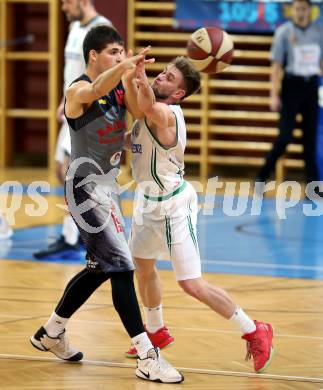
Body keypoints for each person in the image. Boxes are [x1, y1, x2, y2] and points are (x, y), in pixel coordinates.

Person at [30, 25, 183, 384]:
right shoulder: (77, 90)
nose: (120, 56)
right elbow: (96, 89)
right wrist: (124, 66)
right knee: (122, 268)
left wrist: (138, 78)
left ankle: (51, 333)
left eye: (122, 50)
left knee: (102, 267)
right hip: (84, 188)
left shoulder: (118, 85)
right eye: (114, 51)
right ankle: (147, 354)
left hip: (107, 188)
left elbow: (140, 110)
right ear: (94, 55)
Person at [124, 56, 274, 374]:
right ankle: (155, 331)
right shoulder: (149, 108)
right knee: (143, 267)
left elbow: (148, 108)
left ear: (179, 94)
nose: (160, 77)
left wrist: (137, 72)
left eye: (168, 77)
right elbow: (137, 106)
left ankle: (254, 329)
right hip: (146, 201)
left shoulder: (167, 114)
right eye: (162, 72)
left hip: (174, 205)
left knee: (191, 284)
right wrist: (127, 70)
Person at [34, 0, 112, 259]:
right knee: (61, 171)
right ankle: (79, 231)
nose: (64, 8)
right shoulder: (75, 28)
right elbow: (73, 73)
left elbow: (105, 76)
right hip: (72, 105)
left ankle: (74, 237)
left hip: (86, 111)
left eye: (67, 2)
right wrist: (64, 101)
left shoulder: (102, 28)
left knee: (73, 172)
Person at [257, 0, 323, 187]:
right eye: (297, 9)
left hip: (312, 86)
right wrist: (273, 94)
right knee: (285, 137)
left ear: (310, 10)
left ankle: (314, 186)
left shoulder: (319, 32)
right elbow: (276, 65)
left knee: (309, 139)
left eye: (304, 9)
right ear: (292, 11)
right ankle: (261, 176)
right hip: (291, 87)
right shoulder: (284, 32)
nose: (301, 12)